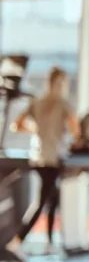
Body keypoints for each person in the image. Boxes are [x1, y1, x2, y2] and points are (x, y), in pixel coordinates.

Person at [11, 66, 80, 251]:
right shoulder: (64, 104)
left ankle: (49, 243)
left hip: (39, 156)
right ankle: (18, 239)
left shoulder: (38, 102)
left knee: (52, 199)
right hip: (54, 157)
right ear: (62, 83)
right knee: (42, 202)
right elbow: (77, 132)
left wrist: (36, 130)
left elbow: (15, 125)